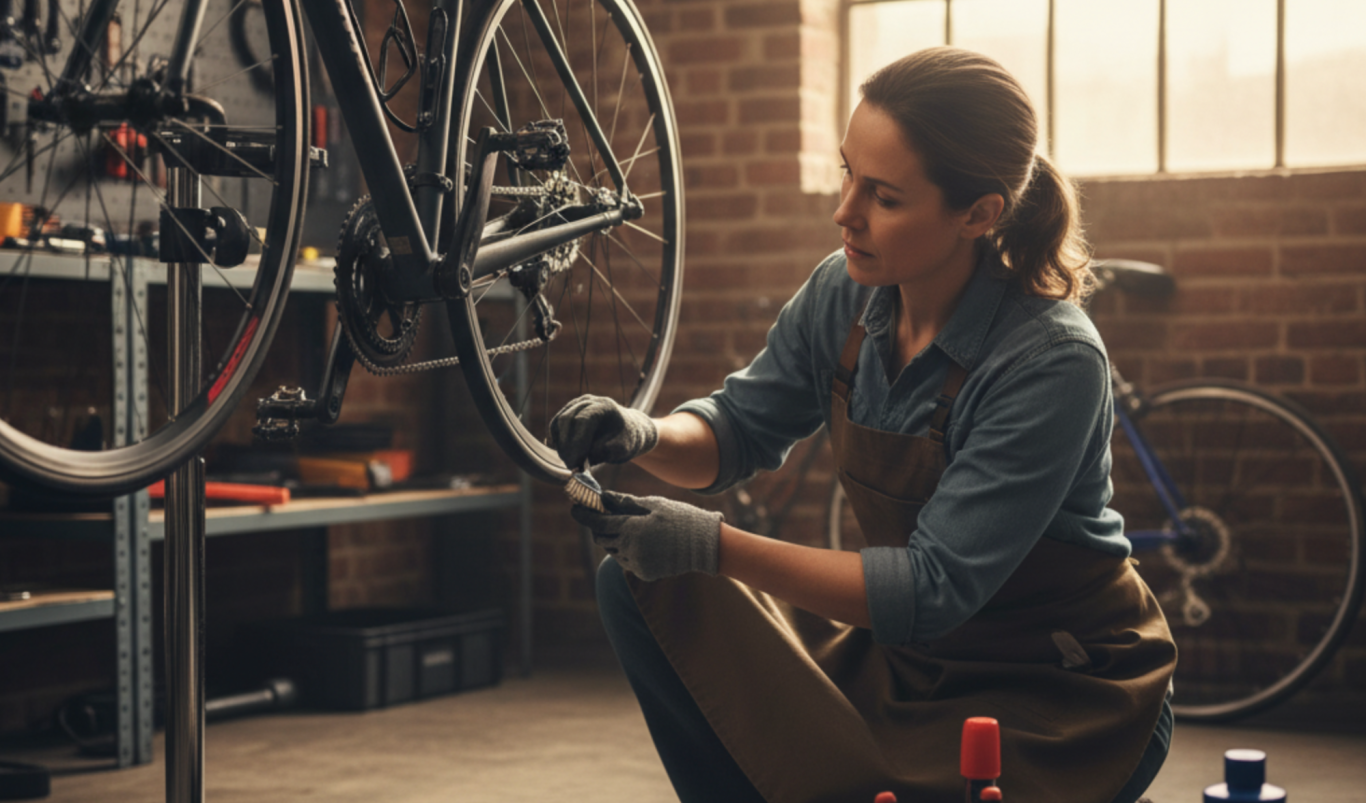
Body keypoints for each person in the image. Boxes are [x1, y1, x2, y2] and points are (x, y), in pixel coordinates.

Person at [551, 47, 1176, 803]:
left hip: (1058, 690)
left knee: (694, 564)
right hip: (906, 659)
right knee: (641, 584)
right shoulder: (843, 292)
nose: (844, 211)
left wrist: (713, 543)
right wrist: (642, 434)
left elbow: (931, 587)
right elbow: (738, 429)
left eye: (883, 195)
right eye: (848, 172)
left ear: (978, 214)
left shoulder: (1051, 360)